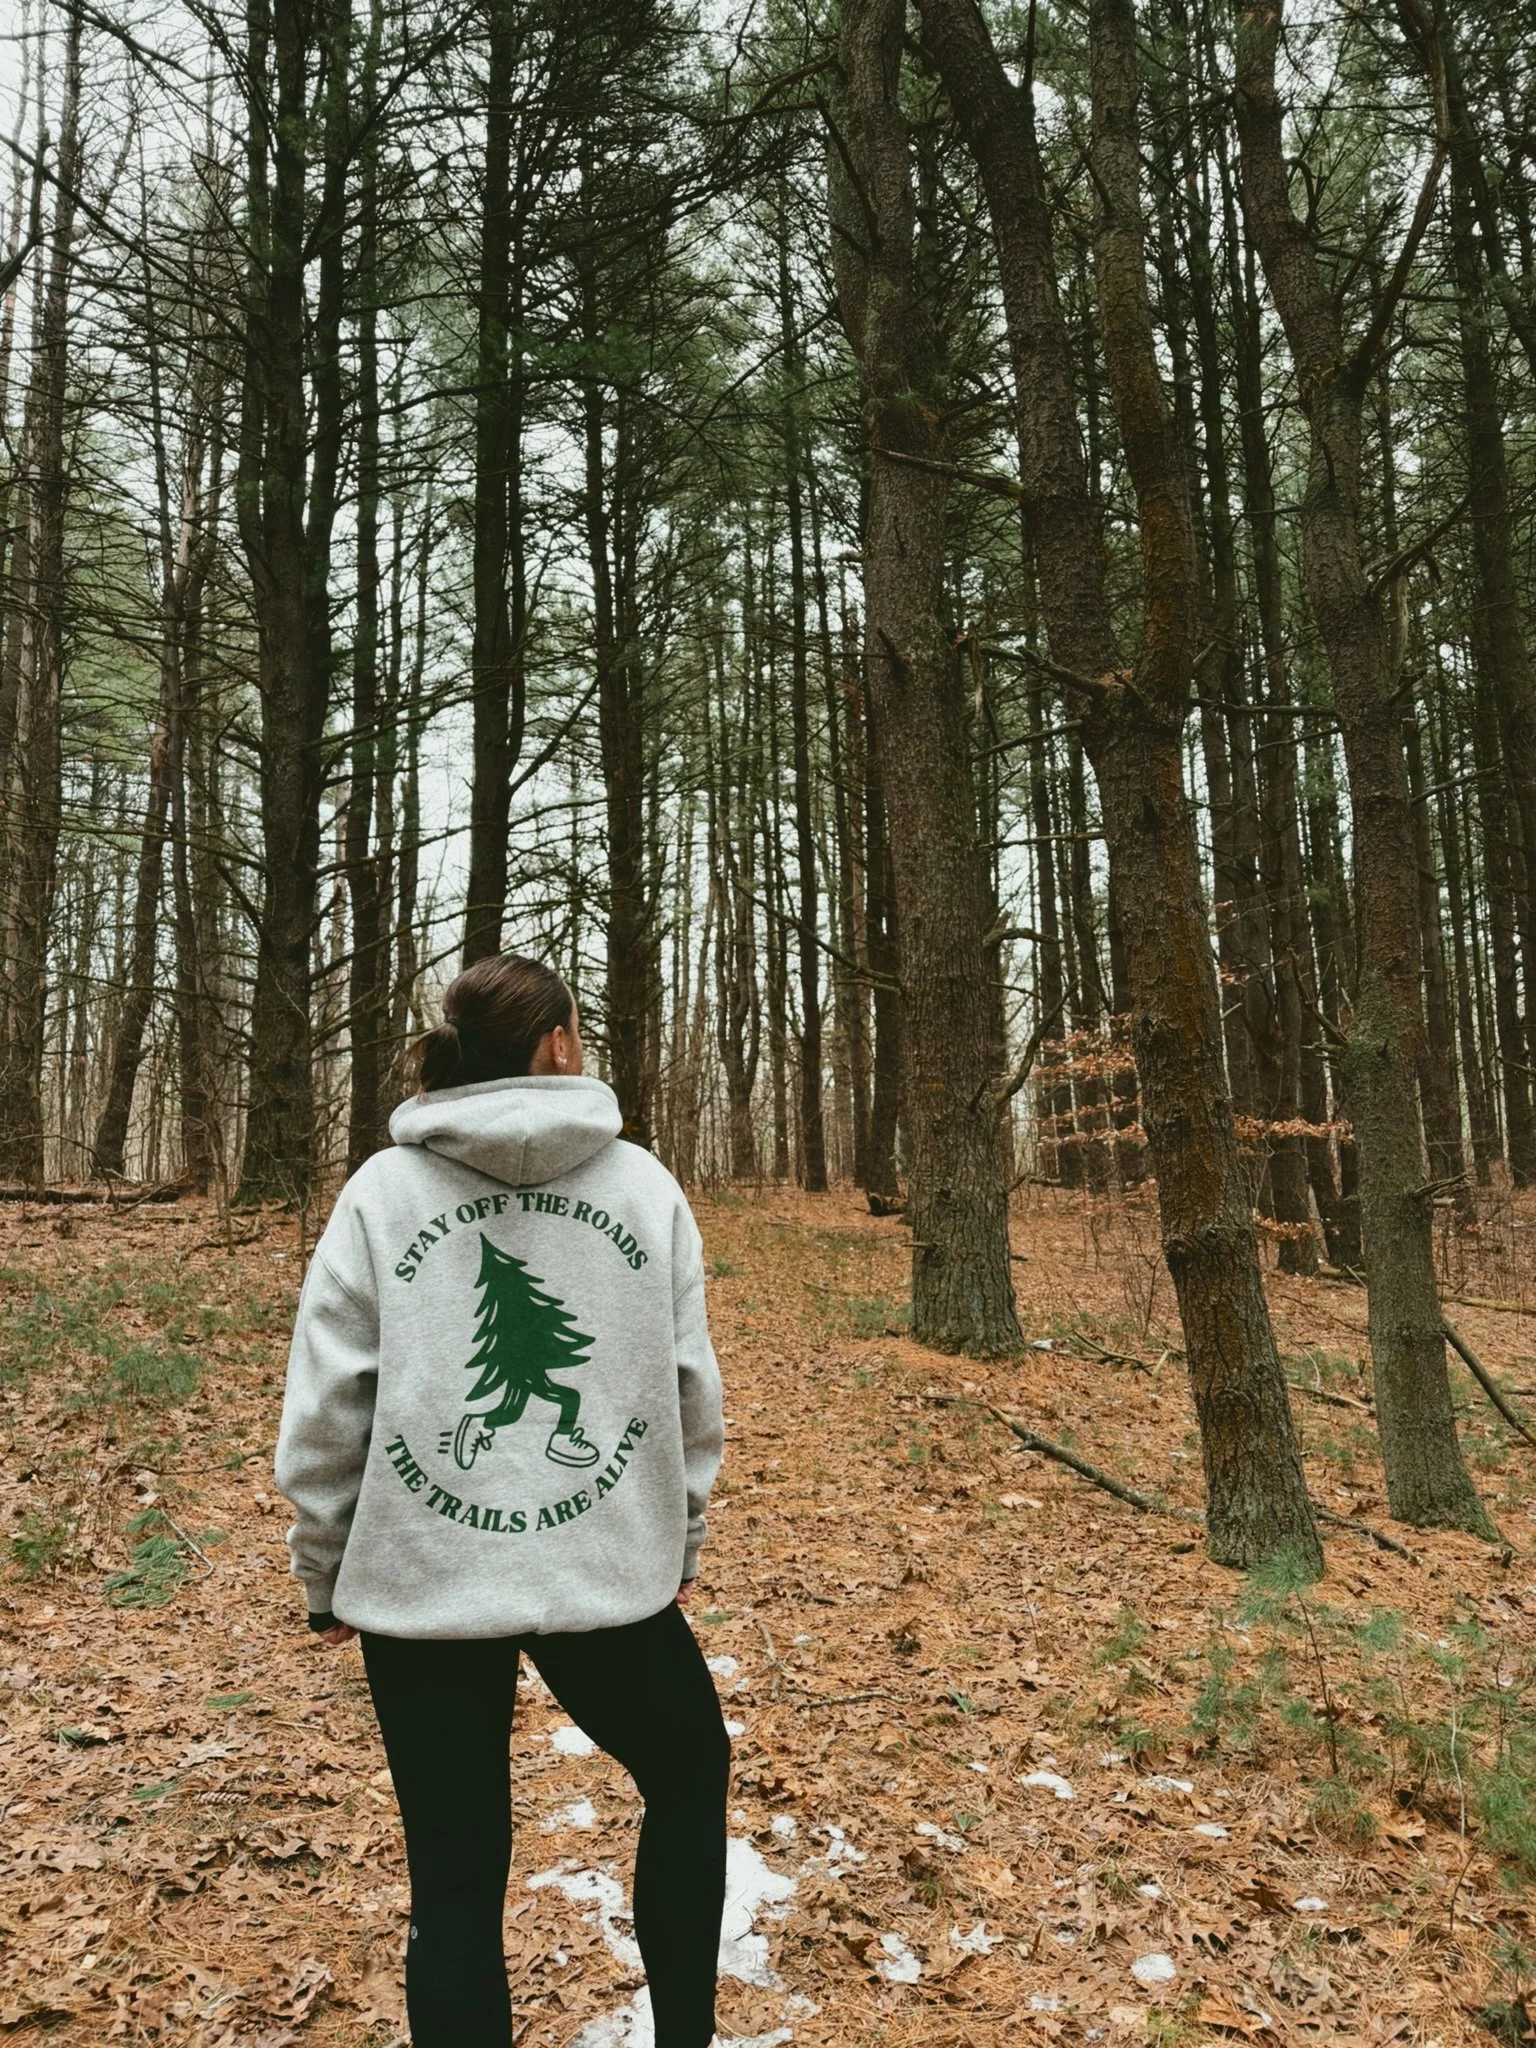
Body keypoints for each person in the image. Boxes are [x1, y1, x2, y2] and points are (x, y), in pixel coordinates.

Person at [275, 954, 729, 2048]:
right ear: (561, 1043)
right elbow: (688, 1387)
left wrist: (326, 1565)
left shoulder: (384, 1193)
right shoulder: (641, 1186)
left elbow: (331, 1396)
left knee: (456, 1872)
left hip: (422, 1577)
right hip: (609, 1574)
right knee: (689, 1772)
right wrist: (680, 1536)